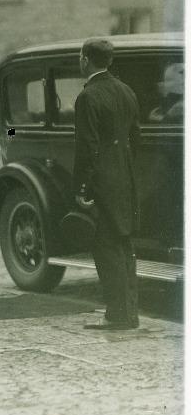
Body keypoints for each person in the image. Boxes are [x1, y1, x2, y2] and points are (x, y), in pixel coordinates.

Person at [74, 38, 141, 330]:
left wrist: (81, 188)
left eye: (80, 57)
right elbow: (135, 138)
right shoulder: (126, 91)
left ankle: (117, 316)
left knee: (106, 248)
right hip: (124, 176)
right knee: (124, 246)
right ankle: (130, 314)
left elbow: (86, 147)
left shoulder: (88, 96)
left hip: (102, 180)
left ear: (86, 59)